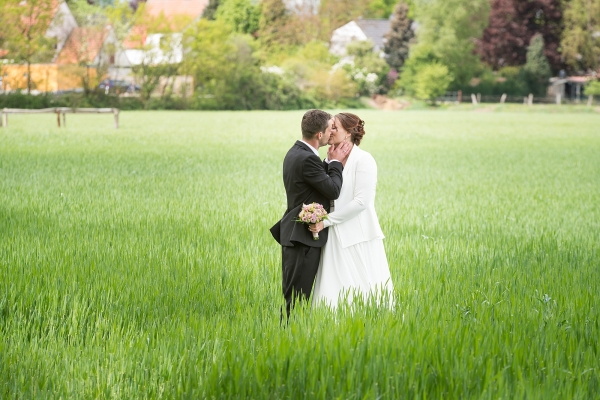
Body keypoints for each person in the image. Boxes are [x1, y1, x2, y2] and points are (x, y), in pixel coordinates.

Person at [270, 109, 351, 319]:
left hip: (295, 235)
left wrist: (325, 163)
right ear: (319, 135)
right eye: (329, 129)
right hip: (302, 237)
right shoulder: (307, 158)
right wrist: (335, 163)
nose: (331, 133)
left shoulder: (296, 152)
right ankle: (288, 338)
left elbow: (312, 183)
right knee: (297, 296)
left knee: (294, 294)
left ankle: (289, 335)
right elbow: (332, 190)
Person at [309, 113, 394, 309]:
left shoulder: (364, 159)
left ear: (348, 133)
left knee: (367, 289)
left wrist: (326, 221)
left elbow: (362, 202)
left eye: (335, 127)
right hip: (333, 236)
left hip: (359, 235)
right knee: (332, 291)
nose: (330, 131)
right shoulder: (329, 158)